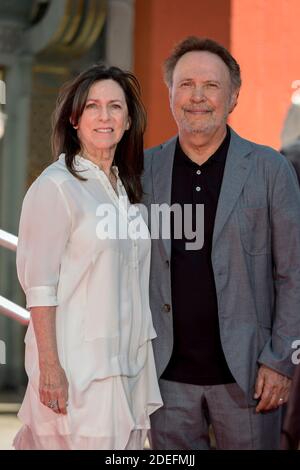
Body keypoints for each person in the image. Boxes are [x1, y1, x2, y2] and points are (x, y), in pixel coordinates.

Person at [142, 36, 300, 450]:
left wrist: (282, 360)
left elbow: (294, 273)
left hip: (250, 378)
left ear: (232, 97)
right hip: (163, 382)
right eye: (186, 84)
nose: (198, 97)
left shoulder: (271, 169)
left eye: (211, 86)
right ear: (170, 93)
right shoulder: (142, 172)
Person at [13, 64, 162, 450]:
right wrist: (50, 368)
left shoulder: (123, 190)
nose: (105, 116)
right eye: (93, 106)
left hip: (128, 366)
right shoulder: (56, 186)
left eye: (115, 106)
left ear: (128, 120)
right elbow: (40, 287)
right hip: (78, 371)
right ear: (75, 119)